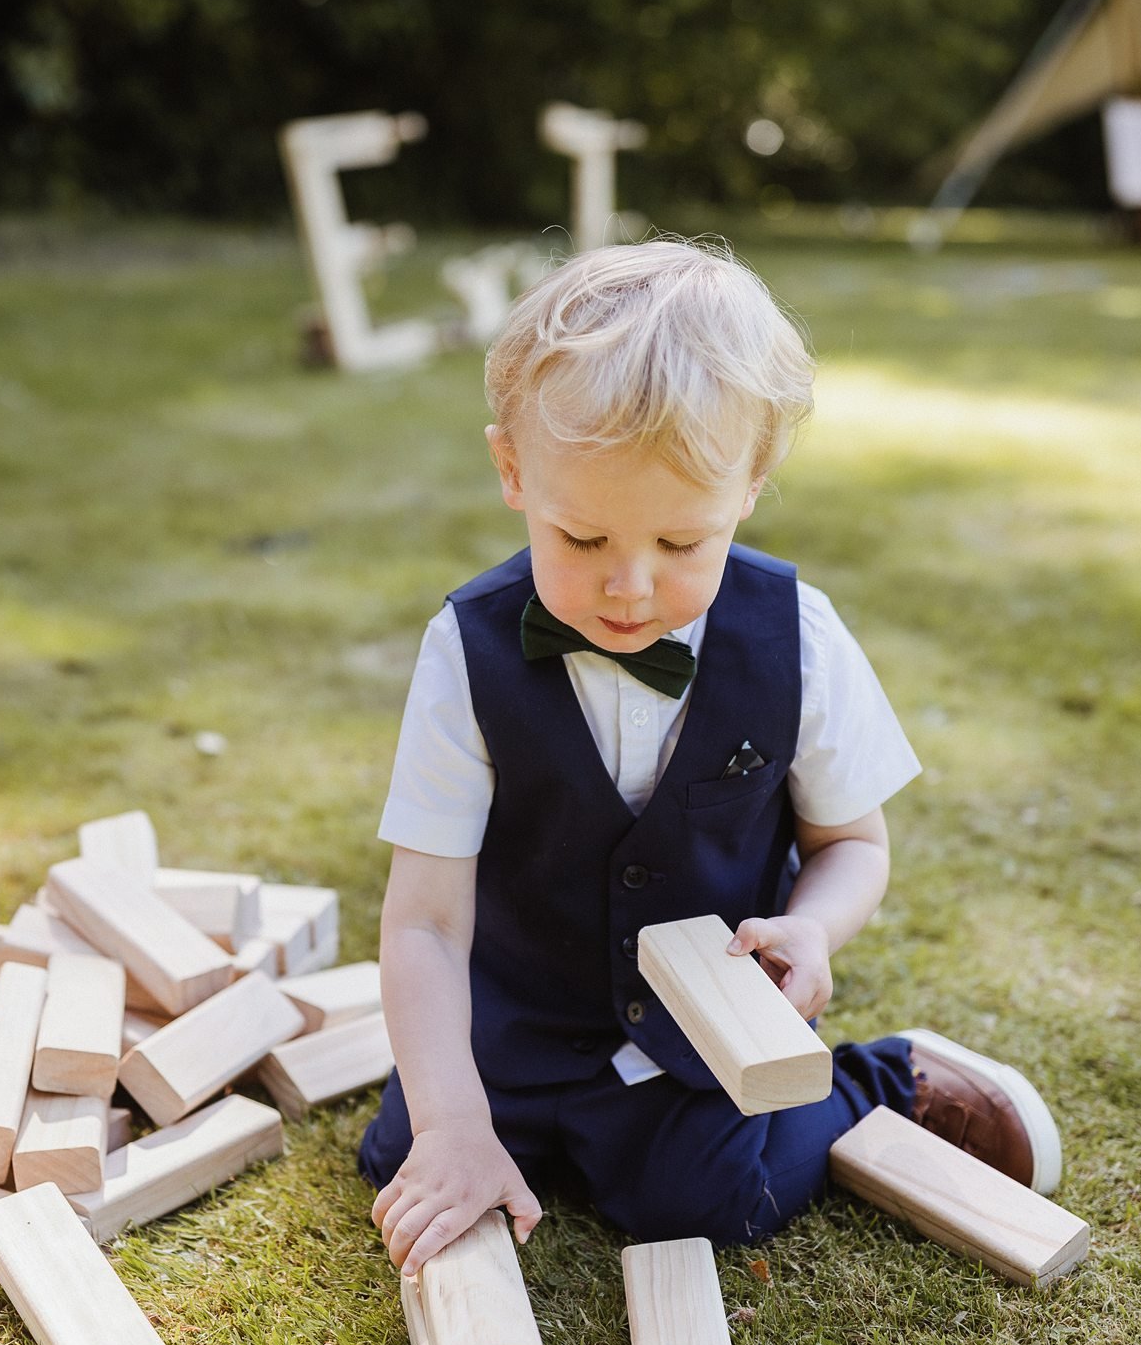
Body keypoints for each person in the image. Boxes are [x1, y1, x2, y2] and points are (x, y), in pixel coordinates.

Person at [361, 239, 1060, 1277]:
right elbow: (423, 921)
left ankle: (883, 1082)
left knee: (710, 1200)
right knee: (402, 1158)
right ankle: (492, 1123)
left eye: (681, 545)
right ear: (512, 468)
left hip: (697, 1035)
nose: (629, 589)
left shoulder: (798, 637)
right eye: (584, 540)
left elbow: (852, 844)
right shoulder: (465, 648)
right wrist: (451, 1119)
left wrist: (814, 930)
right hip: (519, 1014)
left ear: (753, 483)